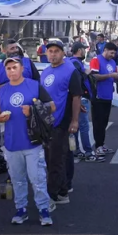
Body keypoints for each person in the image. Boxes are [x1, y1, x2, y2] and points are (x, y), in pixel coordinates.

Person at [0, 57, 55, 226]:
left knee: (37, 178)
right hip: (12, 143)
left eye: (14, 67)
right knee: (17, 179)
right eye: (8, 69)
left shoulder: (34, 86)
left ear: (22, 69)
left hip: (32, 142)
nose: (11, 71)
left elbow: (52, 106)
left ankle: (44, 210)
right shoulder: (3, 91)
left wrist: (32, 110)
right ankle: (21, 209)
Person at [40, 40, 81, 205]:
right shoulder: (46, 71)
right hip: (46, 122)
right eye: (50, 51)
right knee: (51, 159)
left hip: (61, 121)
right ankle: (62, 191)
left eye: (56, 51)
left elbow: (76, 96)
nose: (53, 54)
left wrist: (75, 120)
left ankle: (52, 196)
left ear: (63, 53)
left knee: (56, 160)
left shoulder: (70, 71)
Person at [89, 42, 118, 157]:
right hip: (98, 96)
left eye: (114, 53)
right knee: (98, 123)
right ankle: (98, 146)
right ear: (105, 50)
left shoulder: (112, 62)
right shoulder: (96, 60)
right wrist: (110, 75)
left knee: (104, 123)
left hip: (108, 96)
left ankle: (101, 144)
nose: (112, 55)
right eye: (111, 53)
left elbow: (114, 76)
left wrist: (117, 77)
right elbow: (93, 76)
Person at [67, 42, 97, 162]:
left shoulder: (72, 62)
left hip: (77, 97)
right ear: (79, 50)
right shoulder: (75, 62)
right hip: (81, 98)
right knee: (83, 126)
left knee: (75, 126)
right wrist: (86, 73)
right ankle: (88, 152)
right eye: (84, 49)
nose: (85, 51)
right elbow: (77, 79)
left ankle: (76, 150)